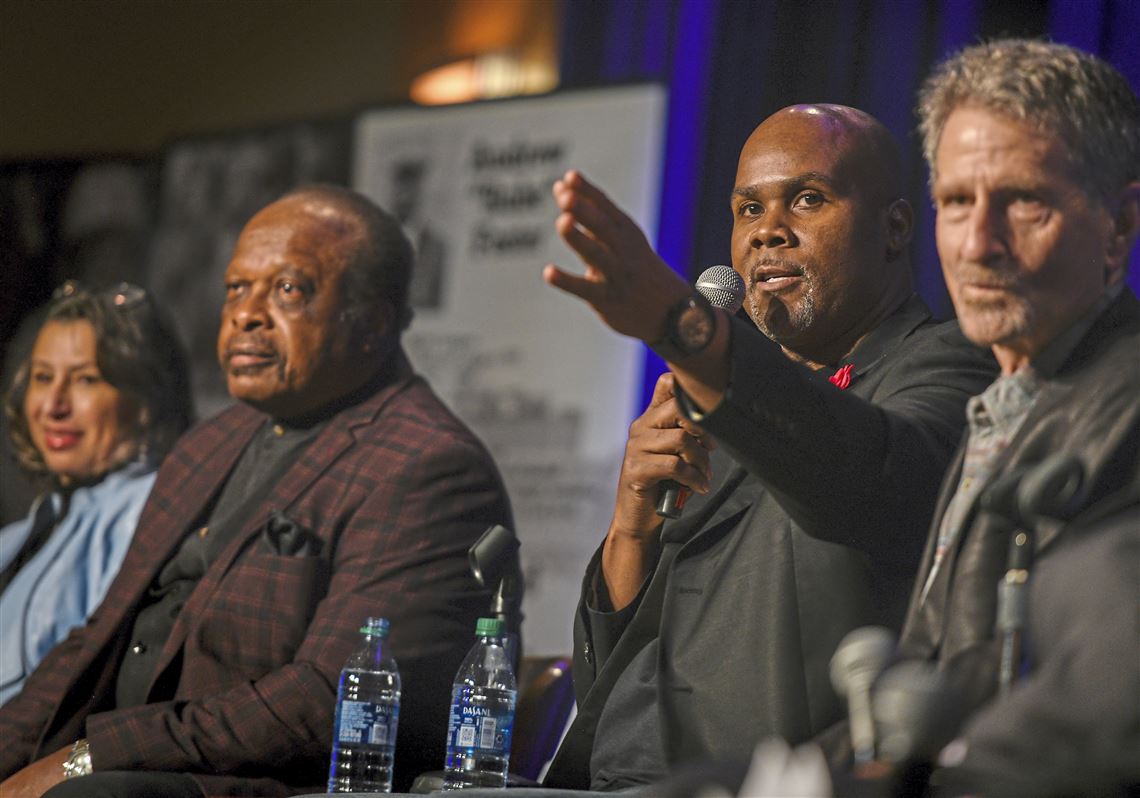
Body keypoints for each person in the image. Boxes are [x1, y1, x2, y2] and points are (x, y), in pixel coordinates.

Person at [0, 185, 516, 797]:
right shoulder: (211, 442)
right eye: (237, 289)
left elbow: (327, 699)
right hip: (128, 764)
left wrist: (89, 757)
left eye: (288, 290)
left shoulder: (428, 467)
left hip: (256, 785)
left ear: (373, 322)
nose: (245, 314)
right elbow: (98, 635)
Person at [538, 104, 997, 790]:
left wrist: (692, 337)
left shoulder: (950, 366)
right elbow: (623, 662)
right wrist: (630, 531)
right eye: (747, 210)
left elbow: (867, 475)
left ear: (896, 227)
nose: (767, 234)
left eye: (808, 200)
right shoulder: (724, 401)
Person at [890, 39, 1140, 794]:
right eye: (957, 202)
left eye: (1025, 201)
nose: (977, 245)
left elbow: (1094, 715)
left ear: (1121, 224)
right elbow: (942, 674)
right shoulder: (1000, 405)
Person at [0, 283, 192, 705]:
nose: (53, 405)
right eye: (42, 377)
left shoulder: (154, 518)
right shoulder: (27, 530)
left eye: (85, 379)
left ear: (145, 398)